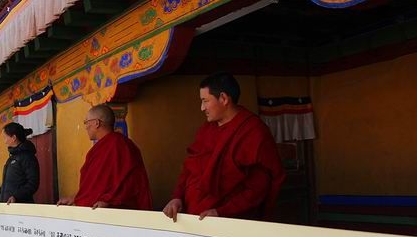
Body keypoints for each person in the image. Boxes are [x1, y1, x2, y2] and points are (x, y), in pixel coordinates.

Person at [163, 73, 285, 222]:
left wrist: (222, 212)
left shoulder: (253, 132)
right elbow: (190, 169)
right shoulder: (206, 129)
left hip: (230, 222)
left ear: (224, 98)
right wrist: (177, 197)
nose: (202, 108)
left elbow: (259, 187)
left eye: (205, 101)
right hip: (193, 218)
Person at [57, 104, 152, 210]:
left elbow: (131, 182)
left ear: (96, 123)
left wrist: (109, 200)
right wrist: (75, 198)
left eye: (86, 122)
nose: (86, 127)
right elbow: (94, 186)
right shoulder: (100, 149)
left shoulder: (118, 145)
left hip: (118, 213)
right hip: (99, 210)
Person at [0, 123, 40, 204]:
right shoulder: (12, 158)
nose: (4, 141)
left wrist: (16, 197)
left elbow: (33, 184)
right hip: (7, 206)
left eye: (5, 137)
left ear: (13, 138)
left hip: (20, 207)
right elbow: (7, 185)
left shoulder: (28, 157)